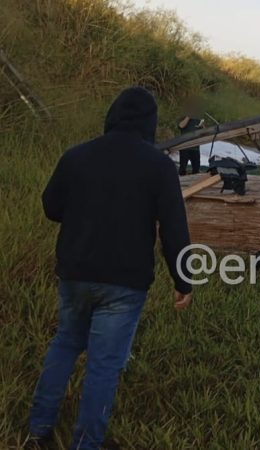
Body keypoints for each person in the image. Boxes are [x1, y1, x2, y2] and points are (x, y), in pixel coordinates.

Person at [27, 87, 194, 450]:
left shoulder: (77, 157)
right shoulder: (160, 166)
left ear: (112, 115)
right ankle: (86, 444)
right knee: (104, 364)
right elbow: (174, 228)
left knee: (66, 343)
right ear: (150, 124)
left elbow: (51, 207)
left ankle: (37, 431)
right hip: (125, 283)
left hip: (75, 273)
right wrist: (183, 279)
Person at [177, 99, 205, 175]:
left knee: (196, 168)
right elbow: (181, 126)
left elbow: (204, 133)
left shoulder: (198, 119)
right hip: (185, 147)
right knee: (183, 167)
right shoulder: (183, 117)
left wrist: (202, 126)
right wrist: (188, 116)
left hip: (195, 147)